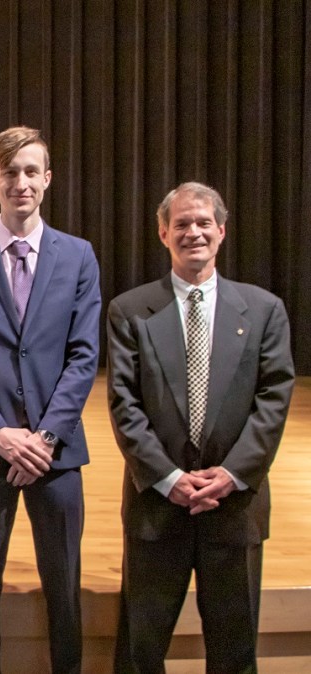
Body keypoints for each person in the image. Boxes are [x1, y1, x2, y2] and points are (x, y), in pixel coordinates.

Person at [107, 182, 295, 672]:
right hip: (156, 507)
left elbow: (274, 400)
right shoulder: (130, 311)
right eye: (182, 224)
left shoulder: (263, 310)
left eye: (203, 222)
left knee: (234, 654)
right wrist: (168, 479)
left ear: (222, 231)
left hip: (234, 507)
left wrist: (231, 474)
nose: (193, 232)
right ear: (163, 232)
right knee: (140, 652)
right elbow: (124, 404)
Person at [0, 126, 101, 674]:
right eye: (10, 172)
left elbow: (83, 355)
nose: (21, 182)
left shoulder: (78, 256)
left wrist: (46, 436)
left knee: (65, 587)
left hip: (57, 454)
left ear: (47, 179)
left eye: (31, 171)